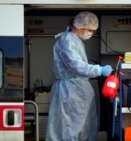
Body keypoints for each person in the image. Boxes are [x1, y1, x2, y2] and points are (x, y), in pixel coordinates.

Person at [45, 11, 113, 141]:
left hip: (77, 89)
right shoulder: (67, 41)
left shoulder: (75, 41)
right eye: (90, 30)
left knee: (83, 127)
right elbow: (76, 66)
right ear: (80, 26)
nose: (91, 34)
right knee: (70, 128)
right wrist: (99, 69)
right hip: (70, 92)